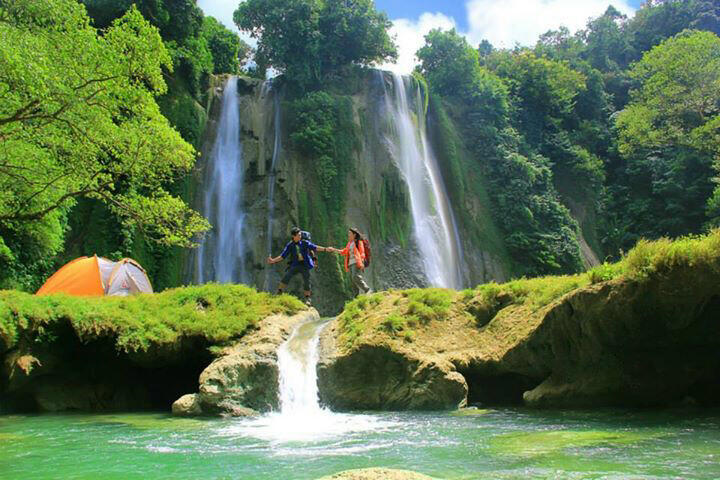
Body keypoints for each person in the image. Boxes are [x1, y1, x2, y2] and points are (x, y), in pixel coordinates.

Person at [267, 227, 330, 306]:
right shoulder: (290, 245)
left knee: (306, 280)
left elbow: (315, 247)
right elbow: (283, 256)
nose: (300, 236)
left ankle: (308, 298)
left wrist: (325, 249)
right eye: (299, 235)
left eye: (300, 235)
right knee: (287, 276)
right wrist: (273, 260)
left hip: (305, 264)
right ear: (294, 236)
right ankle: (279, 292)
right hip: (296, 264)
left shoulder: (304, 243)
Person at [329, 227, 371, 296]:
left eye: (350, 233)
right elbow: (344, 252)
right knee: (352, 281)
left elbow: (362, 252)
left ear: (354, 234)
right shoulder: (349, 243)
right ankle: (356, 296)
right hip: (350, 264)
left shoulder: (358, 242)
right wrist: (334, 250)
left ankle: (367, 289)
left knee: (355, 276)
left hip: (356, 262)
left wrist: (362, 261)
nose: (348, 234)